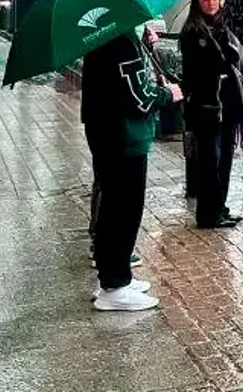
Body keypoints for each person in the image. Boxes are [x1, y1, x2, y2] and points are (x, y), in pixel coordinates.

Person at [82, 26, 182, 312]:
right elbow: (138, 97)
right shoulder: (118, 42)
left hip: (108, 132)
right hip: (122, 136)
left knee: (116, 205)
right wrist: (167, 94)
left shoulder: (111, 36)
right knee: (123, 208)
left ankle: (113, 275)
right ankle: (115, 284)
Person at [179, 0, 243, 229]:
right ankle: (208, 214)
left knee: (226, 158)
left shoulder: (225, 26)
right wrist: (220, 57)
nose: (211, 3)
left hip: (228, 103)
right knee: (211, 161)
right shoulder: (193, 32)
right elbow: (196, 72)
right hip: (207, 106)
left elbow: (236, 58)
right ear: (197, 3)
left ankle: (220, 206)